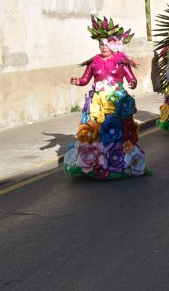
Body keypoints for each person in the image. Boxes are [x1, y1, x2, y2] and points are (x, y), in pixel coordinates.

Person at [63, 15, 151, 180]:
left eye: (106, 44)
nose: (103, 47)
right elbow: (85, 79)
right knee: (95, 132)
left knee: (117, 131)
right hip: (97, 103)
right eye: (100, 44)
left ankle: (120, 161)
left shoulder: (121, 61)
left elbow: (131, 78)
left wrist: (132, 83)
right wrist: (78, 81)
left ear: (114, 45)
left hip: (116, 102)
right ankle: (97, 162)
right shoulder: (93, 62)